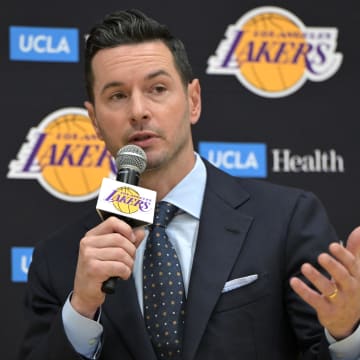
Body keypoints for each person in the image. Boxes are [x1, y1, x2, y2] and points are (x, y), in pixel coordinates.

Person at [18, 8, 360, 360]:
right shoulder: (59, 261)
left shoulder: (286, 220)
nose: (138, 110)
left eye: (158, 88)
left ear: (193, 100)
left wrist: (346, 334)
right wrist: (82, 310)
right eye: (117, 96)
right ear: (93, 120)